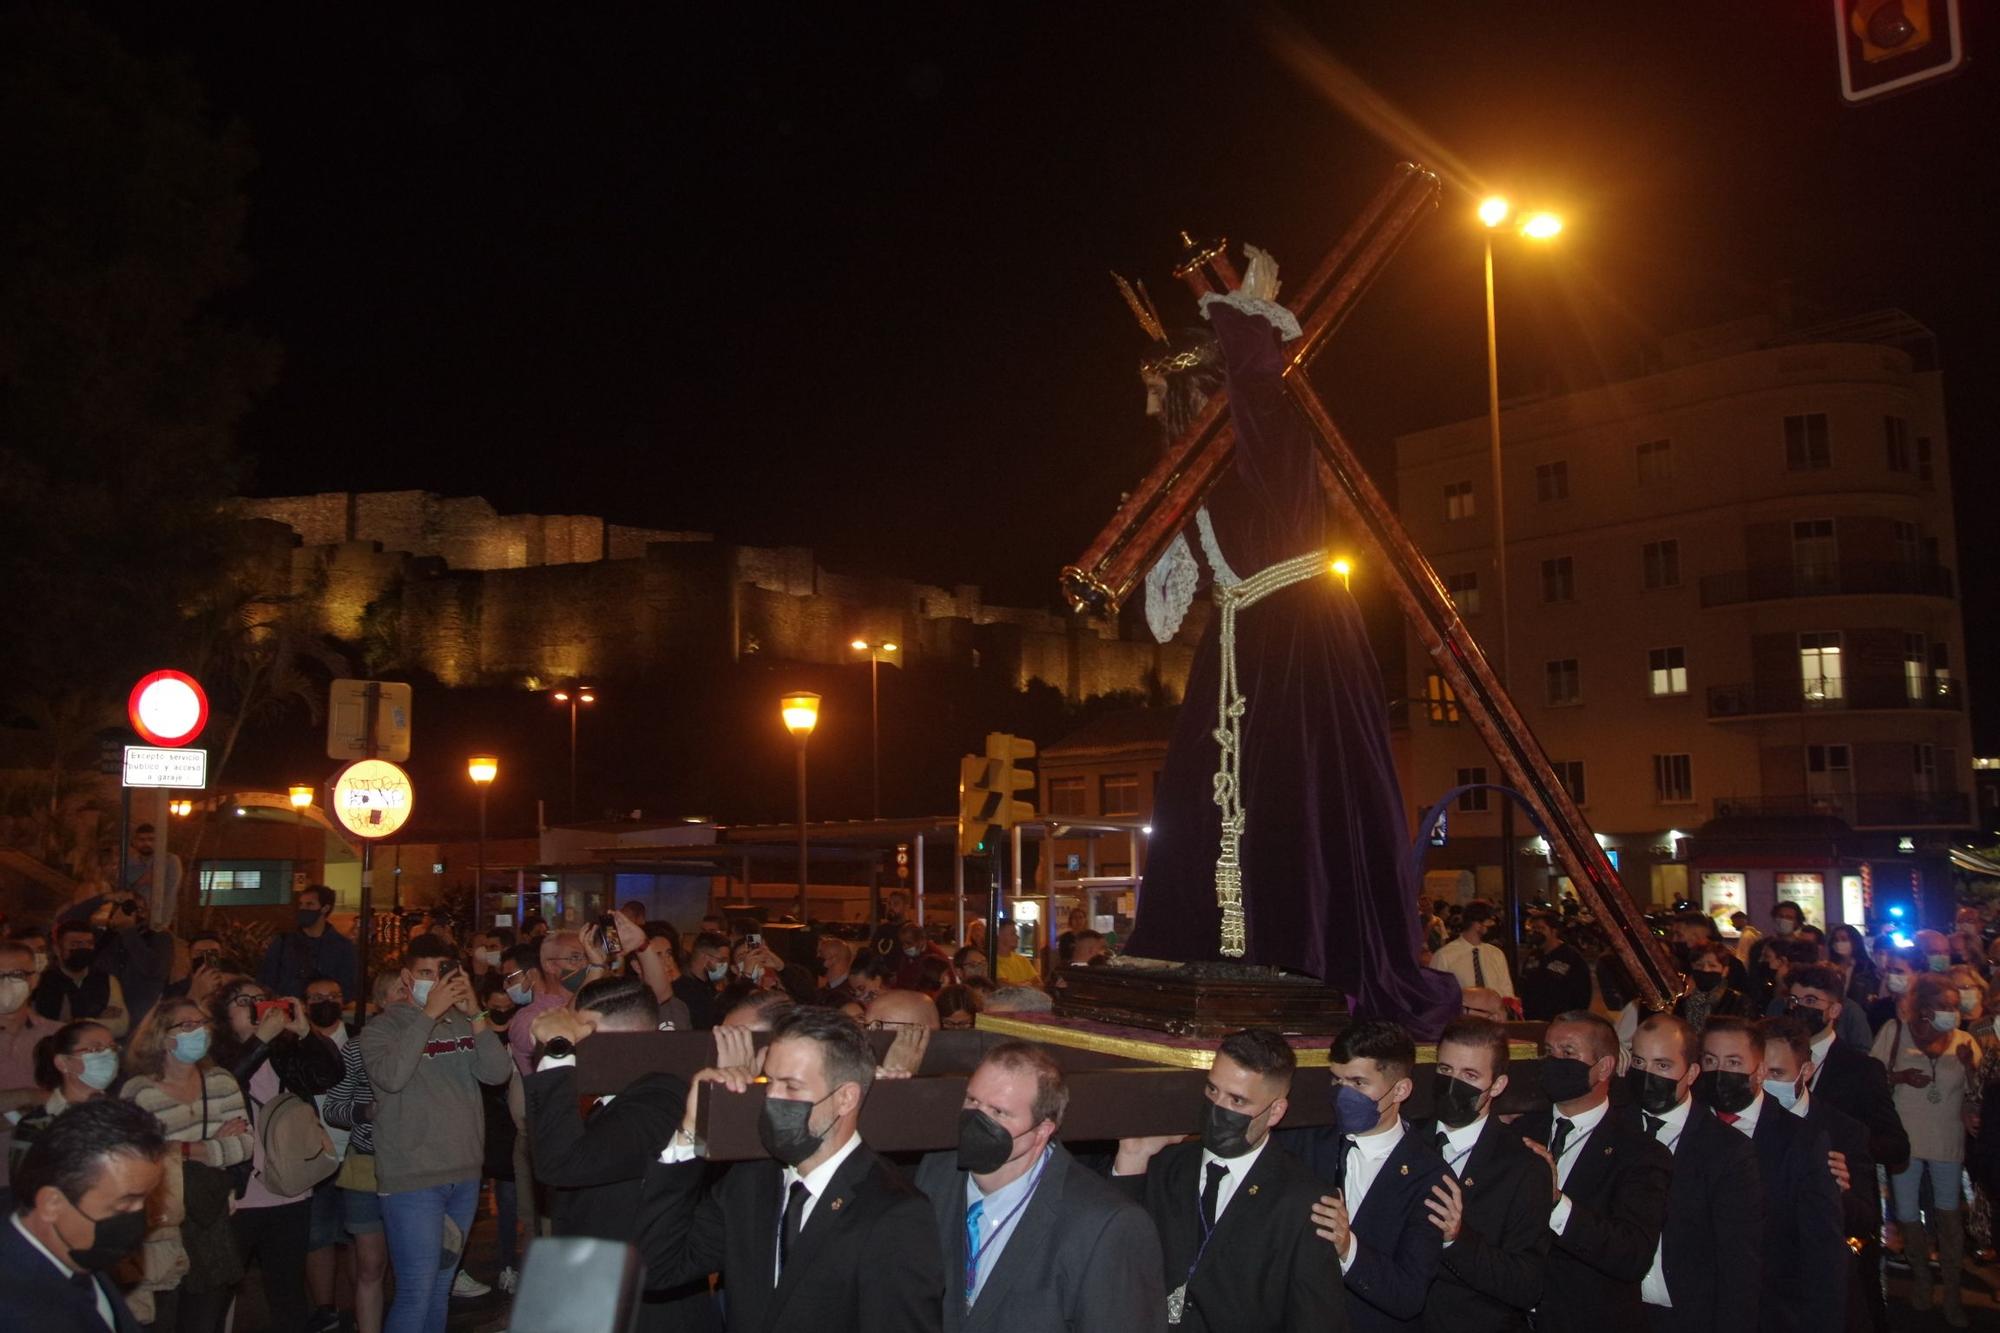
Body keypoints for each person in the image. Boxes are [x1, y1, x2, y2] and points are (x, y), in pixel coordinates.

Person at [1116, 250, 1458, 1034]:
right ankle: (1203, 939)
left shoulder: (1270, 449)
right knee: (1204, 794)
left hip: (1301, 637)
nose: (1159, 413)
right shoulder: (1195, 484)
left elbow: (1262, 390)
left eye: (1170, 395)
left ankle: (1306, 948)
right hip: (1239, 636)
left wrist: (1231, 314)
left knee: (1299, 794)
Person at [638, 1006, 944, 1331]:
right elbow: (658, 1265)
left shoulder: (893, 1211)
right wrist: (689, 1131)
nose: (772, 1097)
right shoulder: (752, 1180)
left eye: (791, 1087)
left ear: (845, 1098)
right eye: (767, 1081)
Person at [910, 1039, 1164, 1331]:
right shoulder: (936, 1174)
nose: (977, 1121)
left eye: (999, 1112)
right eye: (972, 1101)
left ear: (1042, 1131)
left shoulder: (1103, 1224)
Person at [524, 975, 720, 1332]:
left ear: (592, 1031)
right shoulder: (624, 1096)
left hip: (647, 1310)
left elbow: (562, 1164)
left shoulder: (660, 1099)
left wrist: (557, 1048)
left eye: (576, 1032)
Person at [1111, 1029, 1341, 1330]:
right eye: (1212, 1090)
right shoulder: (1166, 1166)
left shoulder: (1303, 1201)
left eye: (1237, 1101)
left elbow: (1316, 1321)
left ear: (1275, 1112)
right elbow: (1114, 1261)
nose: (1219, 1108)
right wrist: (1131, 1158)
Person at [360, 936, 513, 1333]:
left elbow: (497, 1073)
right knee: (416, 1288)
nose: (436, 981)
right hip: (412, 1177)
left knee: (441, 1286)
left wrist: (476, 1012)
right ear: (408, 977)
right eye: (426, 973)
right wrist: (427, 1015)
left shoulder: (465, 1021)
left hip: (463, 1173)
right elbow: (391, 1078)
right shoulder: (381, 1028)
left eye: (443, 972)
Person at [1511, 1011, 1671, 1333]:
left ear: (1605, 1067)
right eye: (1549, 1051)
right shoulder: (1518, 1135)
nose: (1554, 1061)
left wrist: (1557, 1204)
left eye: (1568, 1053)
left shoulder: (1640, 1153)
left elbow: (1632, 1255)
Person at [1285, 1019, 1447, 1332]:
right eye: (1337, 1081)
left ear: (1400, 1089)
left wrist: (1348, 1248)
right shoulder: (1305, 1141)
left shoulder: (1429, 1176)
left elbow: (1408, 1296)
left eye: (1359, 1083)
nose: (1344, 1095)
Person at [1696, 1016, 1844, 1333]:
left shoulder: (1801, 1140)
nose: (1720, 1072)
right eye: (1711, 1060)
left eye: (1734, 1062)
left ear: (1760, 1070)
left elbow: (1822, 1253)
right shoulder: (1687, 1127)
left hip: (1770, 1313)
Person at [121, 997, 256, 1331]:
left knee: (204, 1320)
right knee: (161, 1319)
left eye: (203, 1024)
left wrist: (175, 1149)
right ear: (163, 1036)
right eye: (188, 1025)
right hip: (161, 1222)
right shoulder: (139, 1091)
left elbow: (244, 1146)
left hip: (211, 1217)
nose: (200, 1032)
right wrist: (210, 1146)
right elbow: (137, 1155)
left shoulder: (221, 1081)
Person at [1625, 1014, 1763, 1333]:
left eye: (1662, 1066)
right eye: (1639, 1062)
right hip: (1618, 1311)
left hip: (1688, 1317)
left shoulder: (1726, 1150)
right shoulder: (1614, 1128)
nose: (1648, 1075)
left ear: (1691, 1073)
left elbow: (1739, 1264)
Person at [1417, 1016, 1549, 1333]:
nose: (1453, 1084)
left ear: (1498, 1085)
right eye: (1445, 1070)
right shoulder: (1406, 1142)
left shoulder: (1522, 1166)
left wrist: (1457, 1240)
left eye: (1470, 1075)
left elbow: (1526, 1284)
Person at [0, 1096, 167, 1333]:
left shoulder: (77, 1248)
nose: (139, 1218)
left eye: (145, 1199)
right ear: (51, 1203)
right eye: (124, 1205)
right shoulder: (17, 1314)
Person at [1870, 972, 1980, 1322]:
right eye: (1942, 1006)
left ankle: (1951, 1292)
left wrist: (1970, 1066)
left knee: (1948, 1213)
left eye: (1954, 1006)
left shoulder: (1965, 1040)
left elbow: (1977, 1095)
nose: (1951, 1012)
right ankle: (1920, 1280)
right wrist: (1900, 1078)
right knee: (1905, 1212)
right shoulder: (1895, 1031)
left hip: (1947, 1137)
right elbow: (1871, 1079)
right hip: (1905, 1138)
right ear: (1923, 1007)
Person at [1761, 1017, 1879, 1333]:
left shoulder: (1842, 1130)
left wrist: (1841, 1191)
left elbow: (1865, 1220)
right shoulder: (1735, 1124)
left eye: (1776, 1073)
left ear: (1806, 1071)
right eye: (1758, 1072)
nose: (1764, 1083)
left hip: (1815, 1291)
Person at [321, 970, 398, 1333]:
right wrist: (365, 1111)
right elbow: (333, 1108)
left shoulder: (434, 1044)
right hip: (367, 1164)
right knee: (370, 1263)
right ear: (380, 1001)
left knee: (412, 1263)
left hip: (416, 1167)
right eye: (399, 992)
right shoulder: (356, 1047)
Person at [7, 1022, 118, 1175]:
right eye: (95, 1049)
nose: (108, 1056)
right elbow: (25, 1188)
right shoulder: (35, 1126)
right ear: (63, 1062)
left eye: (112, 1048)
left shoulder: (125, 1111)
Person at [0, 939, 61, 1189]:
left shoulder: (58, 1037)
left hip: (44, 1180)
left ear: (33, 980)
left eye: (15, 974)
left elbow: (71, 1104)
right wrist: (31, 1096)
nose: (6, 983)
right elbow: (50, 1102)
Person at [259, 885, 359, 1001]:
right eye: (301, 904)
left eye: (309, 904)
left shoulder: (342, 947)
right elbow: (266, 980)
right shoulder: (283, 942)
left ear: (325, 908)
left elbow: (347, 988)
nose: (303, 909)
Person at [34, 922, 127, 1038]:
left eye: (89, 944)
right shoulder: (44, 982)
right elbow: (45, 1028)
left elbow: (121, 1026)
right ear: (57, 949)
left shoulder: (107, 980)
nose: (83, 949)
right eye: (75, 944)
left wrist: (77, 1022)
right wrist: (97, 1019)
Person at [1429, 902, 1515, 1005]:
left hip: (1495, 1017)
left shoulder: (1496, 954)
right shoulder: (1444, 956)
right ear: (1477, 925)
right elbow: (1436, 995)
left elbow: (1506, 991)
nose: (1493, 926)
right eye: (1489, 922)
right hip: (1464, 1018)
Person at [1517, 911, 1589, 1022]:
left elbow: (1583, 993)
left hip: (1561, 1021)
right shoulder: (1533, 956)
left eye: (1541, 928)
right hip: (1533, 1020)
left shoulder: (1571, 957)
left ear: (1553, 931)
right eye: (1533, 929)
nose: (1536, 932)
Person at [1671, 942, 1753, 1030]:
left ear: (1725, 971)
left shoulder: (1738, 1002)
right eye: (1699, 965)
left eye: (1712, 966)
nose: (1706, 970)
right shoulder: (1681, 1001)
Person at [122, 823, 183, 922]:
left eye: (151, 839)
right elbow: (124, 892)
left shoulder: (169, 861)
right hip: (133, 919)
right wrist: (140, 882)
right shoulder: (130, 864)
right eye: (142, 840)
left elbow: (170, 892)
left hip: (159, 918)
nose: (147, 843)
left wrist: (162, 921)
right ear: (134, 842)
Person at [1826, 923, 1878, 1004]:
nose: (1839, 943)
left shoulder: (1866, 968)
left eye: (1844, 939)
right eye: (1836, 940)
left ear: (1854, 942)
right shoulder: (1828, 966)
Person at [989, 922, 1038, 988]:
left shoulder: (1022, 960)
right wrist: (1026, 984)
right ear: (999, 935)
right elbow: (1002, 985)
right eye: (1013, 934)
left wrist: (1016, 985)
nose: (1018, 937)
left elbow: (1039, 984)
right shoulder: (991, 961)